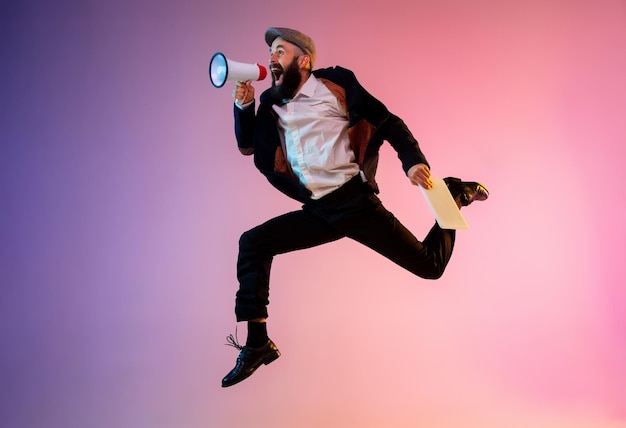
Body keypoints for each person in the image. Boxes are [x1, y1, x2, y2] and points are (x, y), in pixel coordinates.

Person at [221, 27, 488, 388]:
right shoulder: (269, 103)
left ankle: (452, 195)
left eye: (279, 51)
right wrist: (243, 105)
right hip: (317, 209)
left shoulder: (336, 84)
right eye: (270, 51)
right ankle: (257, 344)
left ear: (304, 60)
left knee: (430, 265)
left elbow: (389, 121)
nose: (271, 58)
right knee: (253, 243)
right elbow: (247, 147)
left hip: (352, 202)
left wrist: (412, 162)